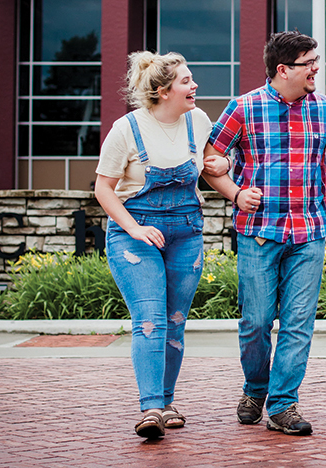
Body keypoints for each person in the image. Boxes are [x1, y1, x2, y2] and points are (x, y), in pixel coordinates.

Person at [203, 31, 326, 436]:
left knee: (298, 323)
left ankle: (283, 404)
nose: (316, 69)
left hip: (309, 232)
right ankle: (255, 389)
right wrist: (235, 193)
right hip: (258, 233)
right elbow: (209, 158)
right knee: (256, 321)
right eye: (310, 62)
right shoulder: (244, 107)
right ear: (283, 69)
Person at [94, 51, 212, 439]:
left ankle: (165, 400)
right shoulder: (126, 129)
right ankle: (150, 408)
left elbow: (212, 160)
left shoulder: (198, 120)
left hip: (186, 233)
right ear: (163, 91)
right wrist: (134, 229)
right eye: (185, 81)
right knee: (150, 320)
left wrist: (222, 166)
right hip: (134, 235)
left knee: (175, 322)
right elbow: (103, 189)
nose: (194, 86)